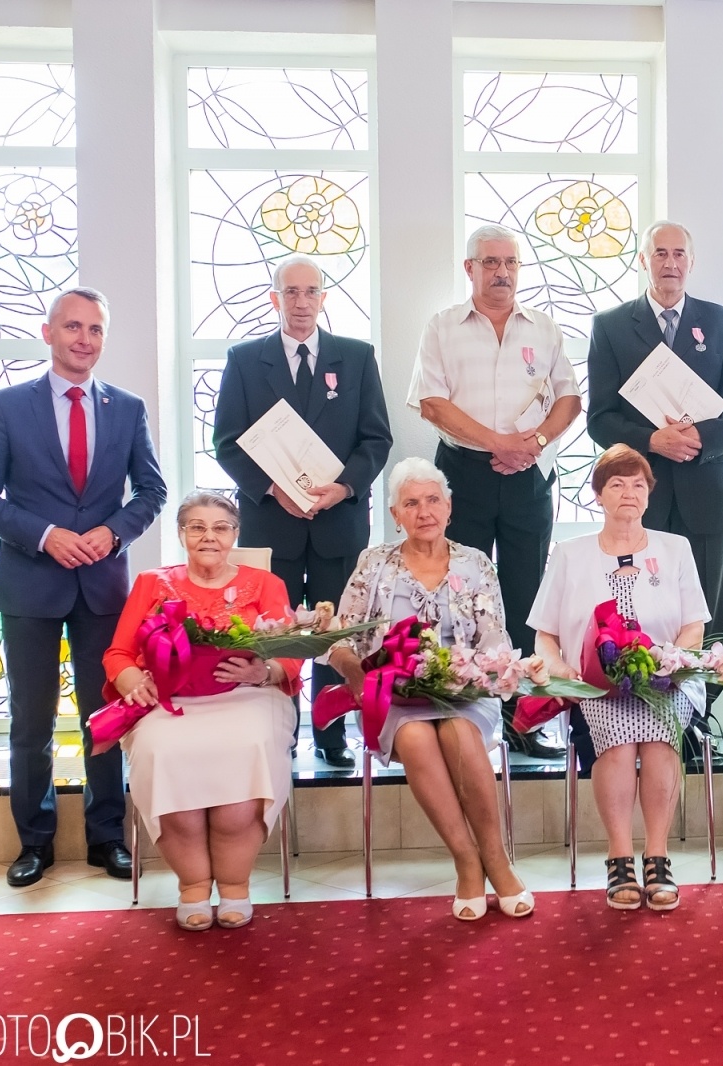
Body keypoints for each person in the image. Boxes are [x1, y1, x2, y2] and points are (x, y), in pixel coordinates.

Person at [0, 287, 166, 889]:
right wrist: (45, 534)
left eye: (95, 330)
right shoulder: (6, 406)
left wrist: (113, 532)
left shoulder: (126, 408)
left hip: (102, 586)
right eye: (73, 327)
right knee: (32, 720)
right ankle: (35, 841)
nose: (84, 339)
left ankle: (108, 836)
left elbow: (151, 492)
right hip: (30, 585)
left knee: (105, 714)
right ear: (49, 332)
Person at [326, 458, 531, 922]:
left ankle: (496, 859)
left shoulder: (476, 562)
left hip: (464, 694)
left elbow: (496, 644)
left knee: (457, 731)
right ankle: (466, 861)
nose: (424, 511)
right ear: (396, 514)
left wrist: (473, 674)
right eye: (411, 503)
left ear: (450, 507)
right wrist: (356, 674)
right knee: (418, 736)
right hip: (390, 698)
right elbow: (340, 635)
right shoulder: (374, 563)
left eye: (433, 500)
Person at [409, 223, 582, 760]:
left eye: (510, 263)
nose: (502, 272)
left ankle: (522, 719)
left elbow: (570, 399)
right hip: (462, 476)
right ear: (470, 269)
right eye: (490, 263)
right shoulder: (442, 327)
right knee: (461, 593)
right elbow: (431, 403)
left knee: (527, 593)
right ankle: (463, 714)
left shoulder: (544, 328)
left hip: (528, 475)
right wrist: (497, 443)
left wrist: (533, 442)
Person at [213, 255, 393, 769]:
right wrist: (272, 489)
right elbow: (226, 442)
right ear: (274, 298)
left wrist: (345, 487)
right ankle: (279, 734)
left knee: (334, 632)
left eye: (310, 292)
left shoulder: (356, 357)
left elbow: (376, 438)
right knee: (278, 633)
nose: (300, 302)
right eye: (290, 292)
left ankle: (332, 735)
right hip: (274, 524)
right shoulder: (246, 360)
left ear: (323, 298)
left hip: (338, 521)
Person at [527, 445, 710, 912]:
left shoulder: (676, 548)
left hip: (664, 677)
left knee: (658, 734)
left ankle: (658, 855)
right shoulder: (569, 554)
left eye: (637, 484)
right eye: (616, 484)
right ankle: (619, 856)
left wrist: (671, 660)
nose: (628, 493)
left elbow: (694, 624)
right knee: (620, 736)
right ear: (597, 495)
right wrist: (562, 669)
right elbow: (544, 635)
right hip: (594, 682)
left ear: (649, 494)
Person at [106, 492, 299, 930]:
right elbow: (118, 653)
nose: (208, 536)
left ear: (235, 534)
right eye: (196, 526)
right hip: (167, 700)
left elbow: (290, 655)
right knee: (160, 750)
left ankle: (234, 885)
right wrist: (134, 681)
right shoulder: (152, 583)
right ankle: (192, 885)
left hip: (248, 696)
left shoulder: (265, 584)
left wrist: (261, 672)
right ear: (181, 534)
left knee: (249, 743)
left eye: (220, 527)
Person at [586, 221, 723, 709]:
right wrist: (652, 441)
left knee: (706, 607)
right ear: (643, 260)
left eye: (679, 253)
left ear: (692, 261)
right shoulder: (612, 326)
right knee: (641, 602)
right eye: (660, 253)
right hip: (641, 495)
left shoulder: (721, 322)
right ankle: (637, 705)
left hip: (706, 489)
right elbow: (600, 420)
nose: (670, 263)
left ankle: (705, 714)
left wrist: (700, 437)